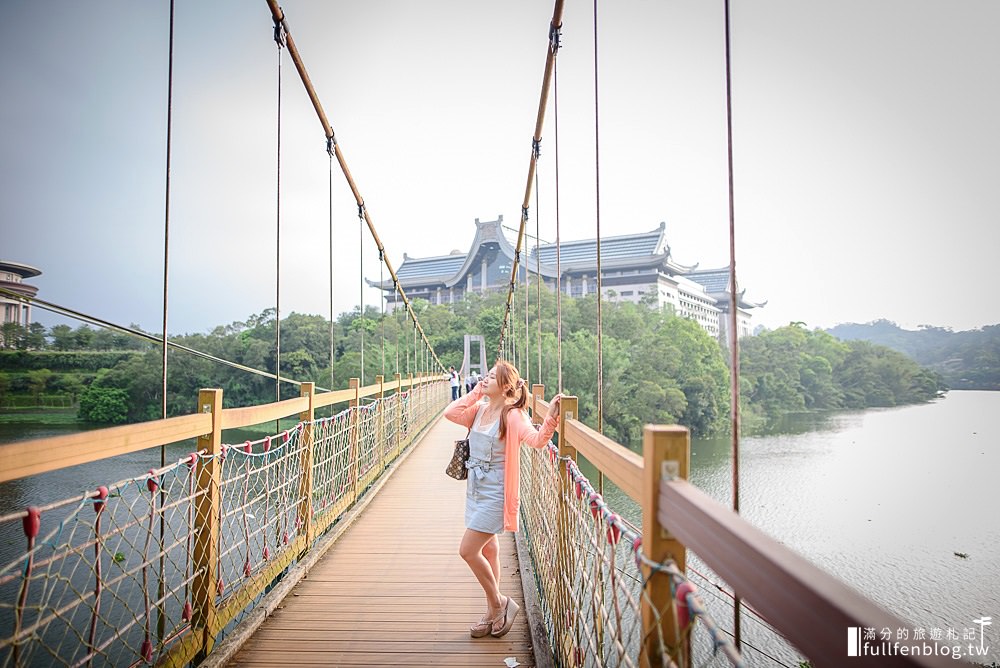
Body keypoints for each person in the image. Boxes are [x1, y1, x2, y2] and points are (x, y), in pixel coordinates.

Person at [444, 360, 563, 639]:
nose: (484, 379)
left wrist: (552, 419)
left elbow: (536, 440)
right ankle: (491, 612)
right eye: (484, 376)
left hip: (497, 493)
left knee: (468, 550)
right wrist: (477, 392)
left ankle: (500, 604)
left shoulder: (512, 416)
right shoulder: (480, 410)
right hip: (475, 490)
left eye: (491, 377)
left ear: (506, 386)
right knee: (489, 550)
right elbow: (450, 412)